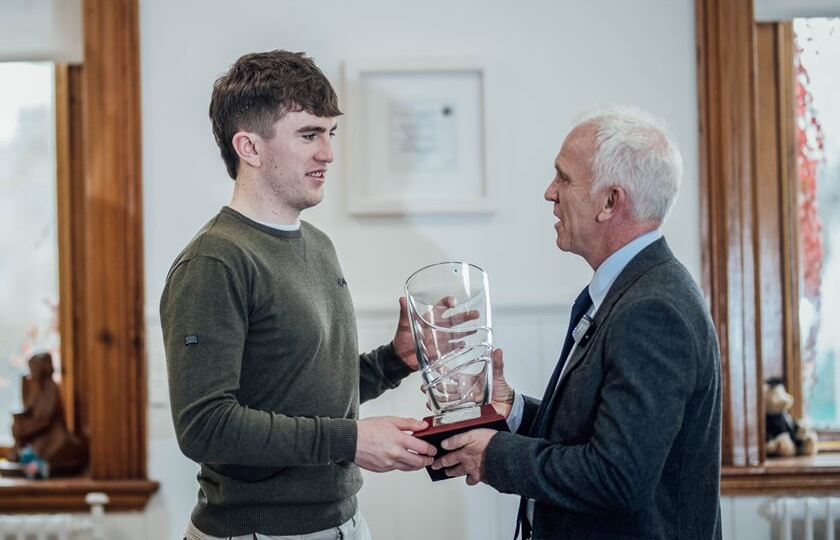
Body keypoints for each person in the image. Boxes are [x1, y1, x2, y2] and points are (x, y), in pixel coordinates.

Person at [159, 50, 436, 540]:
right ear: (249, 147)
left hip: (343, 523)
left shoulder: (317, 245)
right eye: (309, 134)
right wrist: (350, 441)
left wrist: (394, 361)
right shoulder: (214, 262)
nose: (327, 152)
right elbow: (204, 426)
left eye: (330, 133)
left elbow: (299, 390)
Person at [432, 106, 722, 539]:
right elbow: (591, 438)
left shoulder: (653, 309)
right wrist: (511, 410)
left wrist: (493, 455)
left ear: (610, 202)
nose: (550, 193)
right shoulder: (629, 289)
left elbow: (616, 477)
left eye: (564, 178)